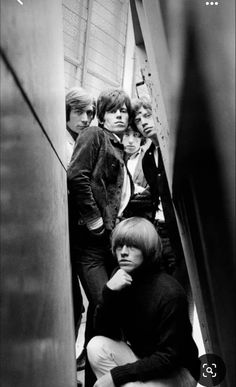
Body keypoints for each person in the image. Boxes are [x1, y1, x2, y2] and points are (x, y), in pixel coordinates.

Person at [67, 88, 133, 385]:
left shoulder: (119, 147)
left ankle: (96, 380)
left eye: (124, 111)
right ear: (103, 116)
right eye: (114, 110)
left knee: (99, 308)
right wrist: (94, 221)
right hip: (90, 243)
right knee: (104, 304)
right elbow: (76, 175)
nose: (120, 115)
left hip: (108, 242)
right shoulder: (94, 135)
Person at [87, 217, 200, 387]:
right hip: (144, 359)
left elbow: (170, 357)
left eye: (132, 246)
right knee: (96, 346)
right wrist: (109, 292)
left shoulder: (169, 292)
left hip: (179, 371)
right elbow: (107, 331)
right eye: (119, 246)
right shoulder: (120, 278)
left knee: (125, 385)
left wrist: (116, 376)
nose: (123, 252)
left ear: (147, 250)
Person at [131, 95, 188, 287]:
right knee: (165, 285)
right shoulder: (147, 157)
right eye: (138, 120)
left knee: (182, 284)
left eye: (148, 115)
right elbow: (156, 193)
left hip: (180, 230)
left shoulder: (173, 148)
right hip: (159, 229)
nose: (144, 123)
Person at [65, 87, 96, 373]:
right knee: (73, 307)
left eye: (90, 113)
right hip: (64, 241)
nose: (87, 118)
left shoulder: (78, 143)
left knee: (77, 307)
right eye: (81, 112)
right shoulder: (64, 144)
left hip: (75, 240)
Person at [66, 87, 96, 167]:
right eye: (79, 112)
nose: (85, 119)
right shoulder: (59, 145)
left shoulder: (90, 146)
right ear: (66, 113)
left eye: (89, 113)